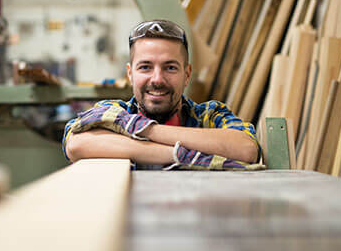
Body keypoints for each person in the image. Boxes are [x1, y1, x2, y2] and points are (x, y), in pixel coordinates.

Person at [62, 19, 263, 170]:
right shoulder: (114, 112)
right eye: (145, 67)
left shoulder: (209, 115)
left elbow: (246, 148)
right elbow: (76, 144)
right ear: (130, 74)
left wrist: (146, 131)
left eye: (170, 68)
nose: (157, 79)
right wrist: (177, 154)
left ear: (187, 75)